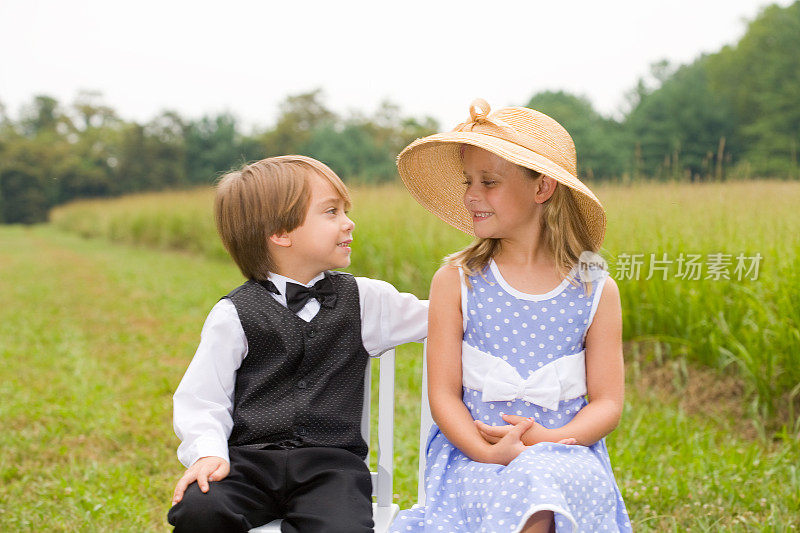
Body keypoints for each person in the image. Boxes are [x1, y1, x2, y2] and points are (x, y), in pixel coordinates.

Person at [391, 99, 631, 532]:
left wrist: (546, 441)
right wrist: (489, 453)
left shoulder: (595, 290)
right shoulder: (457, 281)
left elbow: (608, 403)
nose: (471, 195)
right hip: (474, 458)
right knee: (528, 494)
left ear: (542, 188)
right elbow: (443, 395)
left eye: (489, 181)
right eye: (469, 181)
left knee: (542, 484)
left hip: (566, 454)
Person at [167, 155, 428, 533]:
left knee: (342, 528)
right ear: (281, 232)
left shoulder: (366, 299)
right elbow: (203, 398)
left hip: (330, 468)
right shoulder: (234, 313)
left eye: (345, 211)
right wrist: (208, 453)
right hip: (247, 465)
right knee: (199, 510)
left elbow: (440, 318)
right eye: (331, 212)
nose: (348, 222)